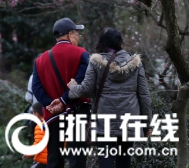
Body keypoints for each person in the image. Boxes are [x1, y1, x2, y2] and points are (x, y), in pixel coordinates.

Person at [65, 28, 152, 168]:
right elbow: (144, 96)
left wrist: (72, 88)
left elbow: (86, 89)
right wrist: (147, 123)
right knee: (124, 162)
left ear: (102, 43)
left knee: (105, 162)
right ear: (120, 44)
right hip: (129, 121)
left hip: (104, 122)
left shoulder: (95, 62)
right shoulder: (136, 63)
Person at [31, 17, 91, 168]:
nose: (79, 37)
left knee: (54, 159)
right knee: (77, 158)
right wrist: (63, 101)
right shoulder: (81, 54)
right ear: (70, 34)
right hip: (77, 113)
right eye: (78, 33)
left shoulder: (40, 60)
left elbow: (36, 88)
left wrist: (51, 104)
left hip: (53, 116)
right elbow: (82, 81)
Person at [25, 102, 48, 168]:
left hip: (42, 161)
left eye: (33, 113)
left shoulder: (39, 126)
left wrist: (28, 153)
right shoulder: (53, 125)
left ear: (37, 114)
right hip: (54, 160)